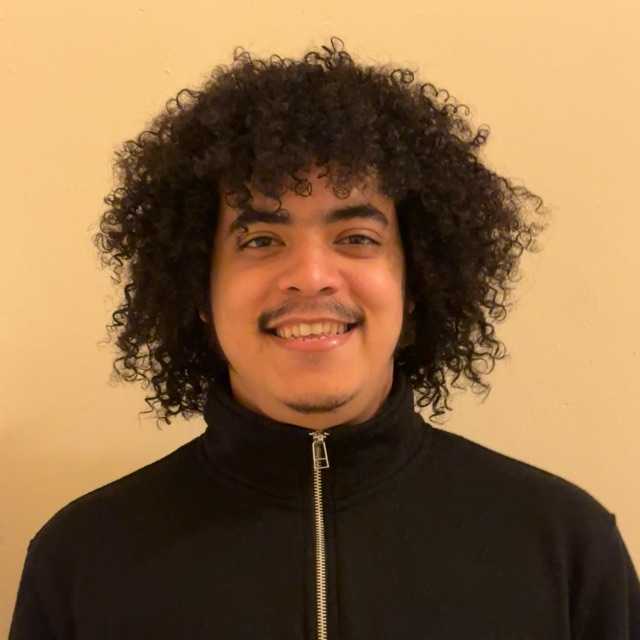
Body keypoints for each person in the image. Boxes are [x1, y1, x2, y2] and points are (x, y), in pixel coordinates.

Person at [9, 36, 639, 639]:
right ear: (199, 288)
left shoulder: (566, 550)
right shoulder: (82, 563)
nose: (311, 276)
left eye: (356, 238)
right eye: (261, 240)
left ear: (415, 281)